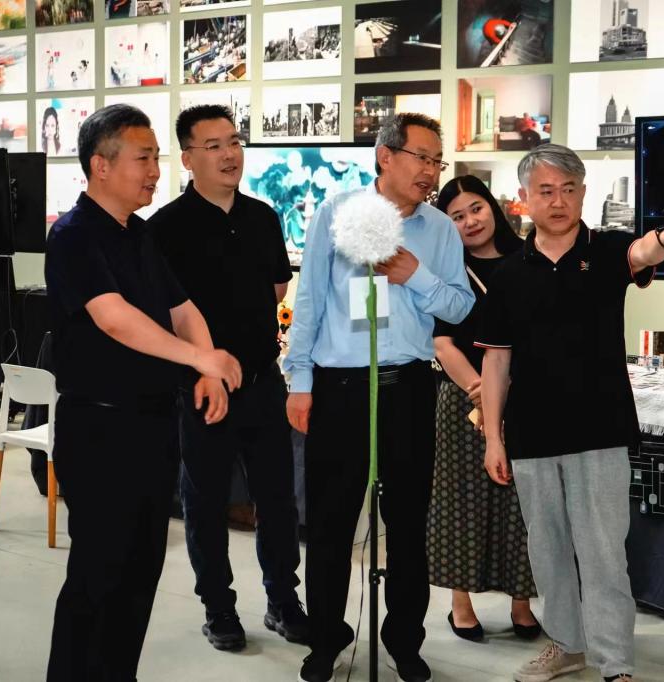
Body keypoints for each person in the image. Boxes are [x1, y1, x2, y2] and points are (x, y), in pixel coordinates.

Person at [475, 145, 664, 682]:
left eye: (568, 190)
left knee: (604, 552)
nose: (558, 201)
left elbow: (644, 252)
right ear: (524, 199)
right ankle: (566, 644)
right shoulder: (508, 274)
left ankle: (614, 661)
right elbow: (496, 362)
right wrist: (493, 438)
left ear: (583, 194)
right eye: (546, 191)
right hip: (531, 433)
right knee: (548, 551)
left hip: (600, 429)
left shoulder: (605, 251)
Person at [44, 103, 242, 681]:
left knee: (139, 576)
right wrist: (200, 359)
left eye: (157, 157)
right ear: (100, 165)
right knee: (97, 577)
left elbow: (182, 309)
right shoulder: (74, 235)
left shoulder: (139, 234)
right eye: (144, 158)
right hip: (99, 430)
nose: (156, 170)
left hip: (153, 427)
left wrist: (207, 368)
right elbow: (114, 319)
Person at [285, 113, 475, 682]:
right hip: (339, 390)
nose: (431, 171)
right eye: (421, 157)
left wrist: (415, 275)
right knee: (329, 524)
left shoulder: (439, 230)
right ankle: (325, 639)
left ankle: (405, 642)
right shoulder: (335, 213)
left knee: (409, 525)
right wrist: (300, 382)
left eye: (437, 160)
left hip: (409, 388)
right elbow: (310, 301)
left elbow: (461, 307)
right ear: (385, 156)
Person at [147, 104, 307, 652]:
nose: (229, 154)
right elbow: (163, 315)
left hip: (262, 380)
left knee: (278, 499)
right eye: (213, 145)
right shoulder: (164, 228)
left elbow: (278, 288)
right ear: (188, 158)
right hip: (202, 388)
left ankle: (284, 602)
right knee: (206, 501)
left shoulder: (263, 215)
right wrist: (202, 364)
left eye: (234, 141)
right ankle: (218, 609)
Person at [426, 175, 539, 643]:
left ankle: (522, 603)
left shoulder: (528, 260)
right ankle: (461, 604)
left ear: (492, 207)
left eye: (476, 208)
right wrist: (480, 388)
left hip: (525, 396)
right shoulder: (446, 271)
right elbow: (441, 342)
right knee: (461, 503)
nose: (470, 221)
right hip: (461, 399)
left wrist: (502, 390)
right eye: (456, 216)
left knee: (522, 503)